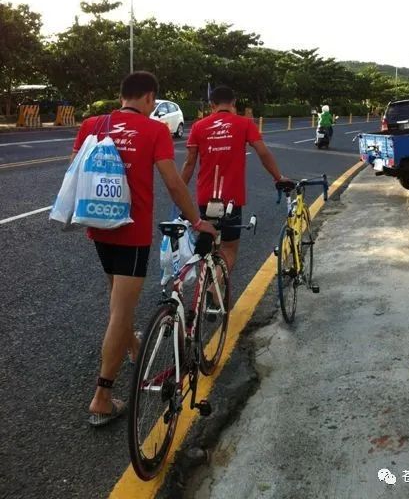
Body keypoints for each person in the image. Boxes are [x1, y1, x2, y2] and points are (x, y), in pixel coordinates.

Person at [71, 71, 216, 426]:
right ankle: (102, 398)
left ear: (122, 96)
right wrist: (197, 221)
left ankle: (134, 348)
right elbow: (173, 184)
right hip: (131, 232)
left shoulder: (92, 123)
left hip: (98, 224)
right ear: (150, 98)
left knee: (117, 297)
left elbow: (76, 170)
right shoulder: (154, 131)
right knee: (121, 310)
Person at [181, 85, 289, 275]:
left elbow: (189, 163)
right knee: (229, 249)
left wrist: (179, 193)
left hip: (205, 197)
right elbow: (263, 152)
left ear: (211, 105)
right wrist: (278, 177)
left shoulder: (199, 126)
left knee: (209, 246)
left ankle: (207, 286)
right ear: (234, 103)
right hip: (231, 198)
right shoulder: (245, 124)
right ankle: (214, 290)